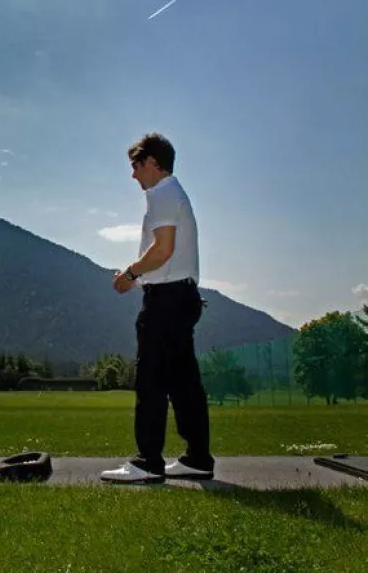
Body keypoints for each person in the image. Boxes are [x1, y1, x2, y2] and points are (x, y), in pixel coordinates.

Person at [100, 132, 215, 484]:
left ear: (152, 162)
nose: (133, 174)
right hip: (181, 297)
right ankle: (197, 458)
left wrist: (129, 275)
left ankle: (148, 462)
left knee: (151, 378)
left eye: (136, 165)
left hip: (166, 301)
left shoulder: (162, 193)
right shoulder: (174, 192)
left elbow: (163, 249)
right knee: (183, 382)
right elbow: (169, 255)